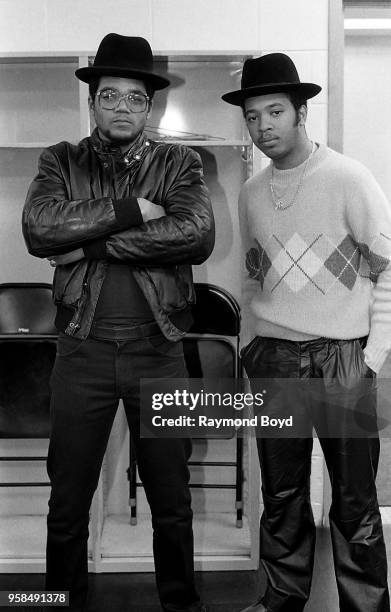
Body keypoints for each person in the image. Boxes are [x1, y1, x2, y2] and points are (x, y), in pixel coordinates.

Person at [22, 33, 214, 612]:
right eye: (111, 97)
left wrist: (92, 247)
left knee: (172, 500)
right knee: (67, 503)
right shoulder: (61, 159)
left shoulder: (179, 162)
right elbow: (40, 230)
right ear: (93, 103)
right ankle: (56, 603)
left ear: (150, 106)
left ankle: (180, 604)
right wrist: (132, 211)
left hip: (160, 350)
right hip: (81, 352)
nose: (123, 108)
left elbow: (196, 235)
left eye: (135, 98)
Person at [222, 53, 391, 612]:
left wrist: (374, 354)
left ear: (301, 112)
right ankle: (280, 600)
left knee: (354, 502)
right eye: (252, 116)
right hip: (273, 358)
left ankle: (364, 607)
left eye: (275, 111)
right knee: (283, 495)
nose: (263, 125)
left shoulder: (348, 177)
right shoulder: (251, 192)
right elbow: (250, 277)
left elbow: (387, 267)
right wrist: (250, 343)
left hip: (343, 359)